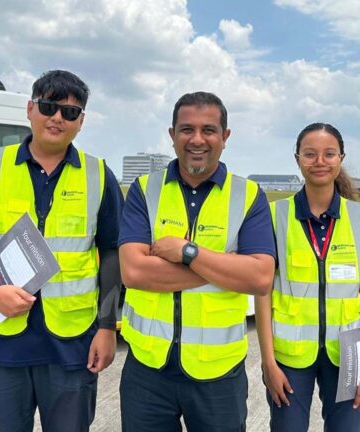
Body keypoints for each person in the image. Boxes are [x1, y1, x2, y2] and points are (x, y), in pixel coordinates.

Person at [0, 70, 123, 432]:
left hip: (71, 346)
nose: (57, 117)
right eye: (48, 106)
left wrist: (107, 327)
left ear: (81, 123)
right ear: (30, 109)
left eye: (70, 113)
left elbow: (112, 253)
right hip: (2, 343)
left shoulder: (99, 175)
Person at [118, 91, 276, 432]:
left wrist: (189, 253)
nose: (197, 139)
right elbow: (133, 271)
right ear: (172, 134)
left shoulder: (248, 197)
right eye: (187, 129)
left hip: (218, 375)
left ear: (225, 136)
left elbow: (261, 278)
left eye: (209, 130)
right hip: (147, 370)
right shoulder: (144, 190)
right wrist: (227, 268)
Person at [255, 123, 360, 432]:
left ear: (341, 158)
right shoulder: (274, 217)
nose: (320, 161)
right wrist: (268, 364)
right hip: (289, 356)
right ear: (297, 159)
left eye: (329, 154)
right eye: (310, 154)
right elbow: (262, 294)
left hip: (348, 354)